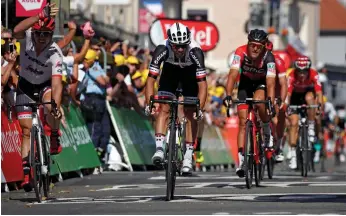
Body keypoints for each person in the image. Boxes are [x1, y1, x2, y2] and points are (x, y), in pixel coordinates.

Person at [145, 22, 207, 175]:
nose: (180, 49)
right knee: (164, 107)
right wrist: (149, 103)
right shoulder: (161, 49)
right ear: (170, 43)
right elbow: (151, 79)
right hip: (170, 74)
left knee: (191, 112)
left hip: (189, 76)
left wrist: (200, 108)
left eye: (183, 46)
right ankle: (159, 148)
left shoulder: (196, 51)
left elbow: (203, 85)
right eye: (176, 46)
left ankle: (187, 156)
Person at [13, 3, 63, 191]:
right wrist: (37, 17)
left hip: (44, 86)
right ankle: (26, 173)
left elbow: (57, 83)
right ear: (34, 33)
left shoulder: (55, 53)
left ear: (51, 36)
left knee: (53, 107)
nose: (42, 38)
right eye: (39, 33)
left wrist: (56, 105)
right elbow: (16, 29)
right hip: (25, 87)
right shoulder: (26, 39)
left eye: (46, 35)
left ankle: (55, 134)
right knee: (26, 131)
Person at [225, 29, 276, 178]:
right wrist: (227, 94)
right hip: (245, 84)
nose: (254, 48)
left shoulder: (269, 57)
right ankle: (241, 160)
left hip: (261, 84)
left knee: (259, 102)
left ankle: (266, 129)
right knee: (242, 121)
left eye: (258, 46)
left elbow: (271, 83)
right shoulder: (240, 52)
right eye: (252, 45)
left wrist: (271, 101)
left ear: (264, 47)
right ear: (248, 43)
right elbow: (233, 74)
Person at [286, 56, 323, 169]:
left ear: (308, 70)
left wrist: (319, 106)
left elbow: (319, 92)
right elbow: (288, 94)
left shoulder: (314, 73)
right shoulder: (291, 75)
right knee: (294, 123)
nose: (302, 74)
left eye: (304, 72)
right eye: (299, 72)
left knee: (310, 98)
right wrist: (287, 106)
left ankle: (311, 126)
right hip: (295, 97)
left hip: (308, 95)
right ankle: (293, 156)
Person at [266, 41, 288, 162]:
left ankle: (278, 144)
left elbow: (283, 84)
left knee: (278, 115)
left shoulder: (277, 61)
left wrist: (282, 101)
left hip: (277, 90)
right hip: (264, 88)